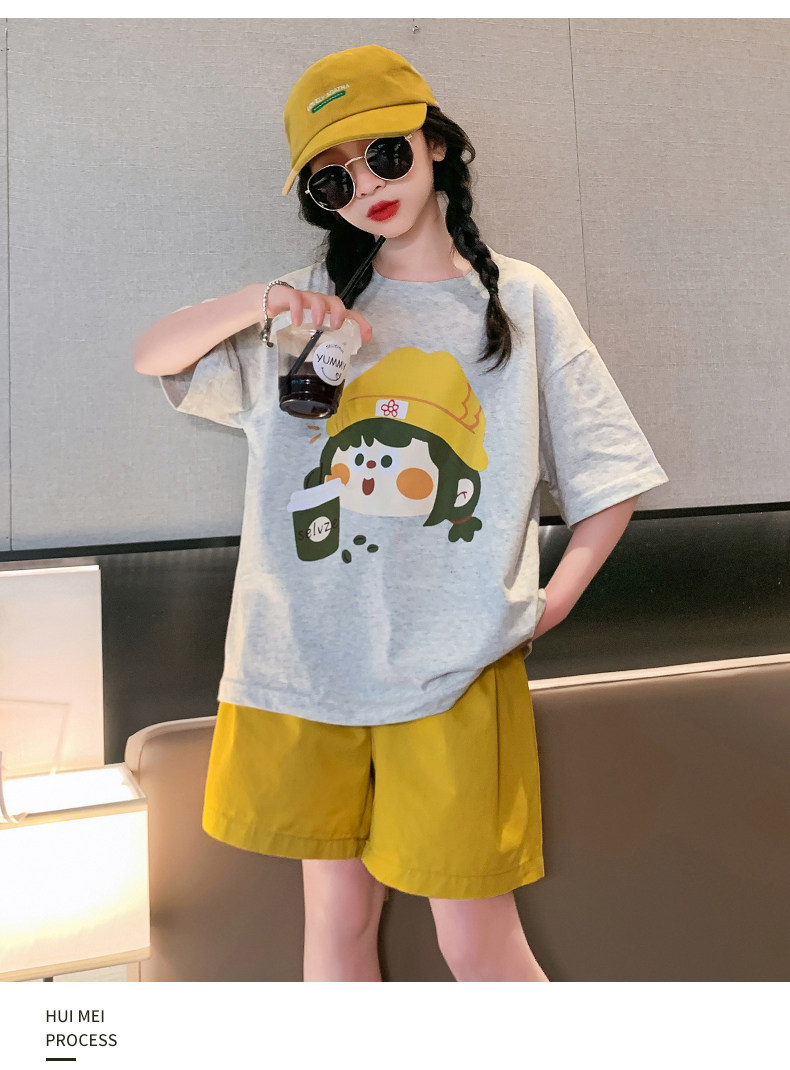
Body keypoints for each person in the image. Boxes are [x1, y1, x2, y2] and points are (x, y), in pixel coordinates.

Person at [133, 44, 669, 982]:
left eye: (384, 154)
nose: (368, 187)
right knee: (336, 922)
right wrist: (267, 298)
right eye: (333, 178)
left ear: (436, 146)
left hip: (455, 670)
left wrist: (547, 606)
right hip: (303, 665)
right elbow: (155, 356)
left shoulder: (520, 299)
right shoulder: (301, 312)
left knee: (477, 938)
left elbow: (609, 477)